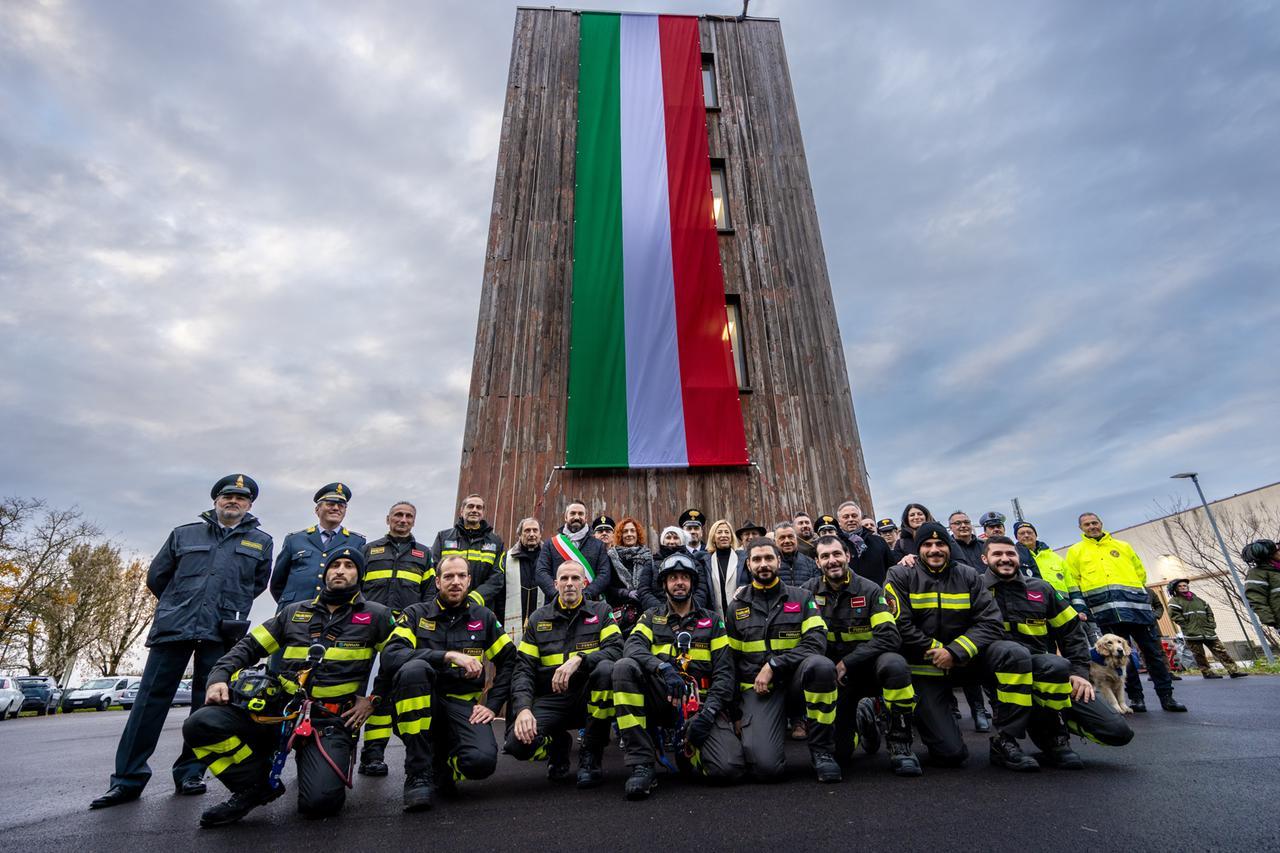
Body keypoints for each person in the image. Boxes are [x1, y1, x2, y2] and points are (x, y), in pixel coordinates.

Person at [91, 474, 274, 810]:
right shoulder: (183, 534)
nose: (233, 502)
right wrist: (179, 603)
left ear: (249, 504)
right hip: (174, 629)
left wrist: (228, 607)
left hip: (222, 632)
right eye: (227, 497)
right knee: (148, 704)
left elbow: (257, 584)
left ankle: (191, 773)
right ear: (216, 501)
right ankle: (127, 780)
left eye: (240, 498)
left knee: (207, 706)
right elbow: (157, 577)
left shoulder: (261, 542)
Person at [181, 547, 394, 826]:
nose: (340, 570)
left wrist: (373, 699)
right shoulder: (293, 613)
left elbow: (397, 661)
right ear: (325, 573)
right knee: (201, 724)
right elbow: (248, 647)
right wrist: (218, 677)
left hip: (328, 720)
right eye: (335, 565)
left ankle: (318, 765)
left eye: (349, 566)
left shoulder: (377, 616)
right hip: (278, 715)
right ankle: (254, 786)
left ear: (360, 574)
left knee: (319, 804)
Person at [882, 522, 1036, 771]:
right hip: (926, 669)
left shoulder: (968, 575)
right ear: (918, 549)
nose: (935, 550)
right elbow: (899, 623)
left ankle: (1007, 741)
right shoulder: (900, 575)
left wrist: (955, 651)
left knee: (1014, 654)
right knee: (951, 755)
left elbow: (991, 622)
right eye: (927, 545)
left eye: (940, 544)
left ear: (949, 547)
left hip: (966, 662)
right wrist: (936, 650)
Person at [378, 554, 516, 811]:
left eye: (461, 576)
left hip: (461, 706)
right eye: (448, 576)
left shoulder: (483, 617)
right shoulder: (415, 614)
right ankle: (418, 773)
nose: (455, 582)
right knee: (414, 669)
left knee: (481, 762)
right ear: (438, 582)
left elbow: (511, 660)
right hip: (421, 704)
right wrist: (447, 656)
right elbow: (391, 655)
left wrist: (493, 705)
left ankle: (441, 764)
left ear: (469, 580)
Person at [981, 536, 1133, 768]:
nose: (1005, 559)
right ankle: (1009, 740)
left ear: (1018, 558)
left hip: (1045, 670)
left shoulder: (1041, 589)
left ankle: (1058, 733)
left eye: (1010, 554)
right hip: (998, 671)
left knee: (1118, 732)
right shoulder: (975, 589)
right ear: (984, 559)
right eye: (997, 554)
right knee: (1021, 659)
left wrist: (1080, 673)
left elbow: (1071, 632)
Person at [612, 553, 744, 798]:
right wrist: (662, 667)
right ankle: (642, 764)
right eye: (673, 578)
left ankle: (688, 754)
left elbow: (725, 674)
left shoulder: (712, 621)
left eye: (685, 577)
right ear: (664, 584)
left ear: (693, 583)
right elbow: (632, 647)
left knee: (729, 769)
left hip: (701, 705)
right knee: (623, 667)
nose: (679, 583)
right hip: (664, 698)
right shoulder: (651, 617)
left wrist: (710, 713)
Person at [805, 535, 920, 776]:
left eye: (837, 554)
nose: (832, 560)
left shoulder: (870, 589)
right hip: (834, 678)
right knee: (841, 755)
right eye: (825, 556)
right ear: (817, 563)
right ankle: (862, 719)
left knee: (896, 664)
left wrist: (849, 661)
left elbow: (889, 636)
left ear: (847, 556)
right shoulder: (807, 592)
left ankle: (900, 745)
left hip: (868, 668)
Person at [726, 538, 840, 782]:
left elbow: (816, 642)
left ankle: (822, 753)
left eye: (769, 558)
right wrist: (734, 711)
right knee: (766, 769)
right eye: (757, 559)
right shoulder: (736, 606)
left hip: (797, 684)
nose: (763, 564)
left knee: (821, 666)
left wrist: (774, 665)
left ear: (778, 561)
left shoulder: (803, 597)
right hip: (759, 692)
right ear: (748, 566)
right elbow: (731, 662)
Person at [505, 560, 622, 787]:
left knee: (608, 670)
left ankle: (591, 754)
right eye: (564, 579)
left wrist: (580, 660)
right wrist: (523, 710)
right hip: (551, 699)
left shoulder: (602, 612)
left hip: (587, 697)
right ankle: (557, 745)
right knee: (516, 745)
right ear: (556, 584)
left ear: (584, 583)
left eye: (575, 578)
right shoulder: (538, 619)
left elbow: (617, 650)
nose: (570, 584)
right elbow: (523, 669)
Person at [1065, 513, 1186, 713]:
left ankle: (1167, 697)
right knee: (1120, 660)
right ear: (1081, 528)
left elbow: (1140, 574)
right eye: (1087, 524)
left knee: (1153, 653)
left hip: (1137, 610)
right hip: (1106, 613)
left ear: (1101, 524)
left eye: (1095, 523)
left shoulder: (1123, 546)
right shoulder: (1076, 551)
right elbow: (1075, 580)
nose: (1092, 526)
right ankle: (1136, 698)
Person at [359, 501, 437, 776]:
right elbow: (356, 589)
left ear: (414, 521)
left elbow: (430, 595)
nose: (403, 520)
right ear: (388, 518)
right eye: (398, 515)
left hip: (403, 630)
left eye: (408, 516)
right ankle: (339, 749)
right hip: (366, 628)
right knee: (356, 689)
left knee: (385, 693)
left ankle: (373, 754)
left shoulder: (424, 554)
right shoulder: (369, 550)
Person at [270, 483, 365, 611]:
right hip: (294, 609)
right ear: (317, 510)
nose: (336, 508)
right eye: (330, 504)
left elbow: (359, 582)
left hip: (335, 611)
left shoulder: (357, 542)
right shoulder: (294, 539)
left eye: (341, 506)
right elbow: (278, 582)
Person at [429, 494, 505, 617]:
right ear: (462, 510)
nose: (474, 510)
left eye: (478, 507)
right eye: (470, 506)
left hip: (480, 608)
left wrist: (473, 599)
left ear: (483, 512)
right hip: (447, 607)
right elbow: (433, 571)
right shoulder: (443, 537)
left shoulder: (496, 542)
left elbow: (497, 578)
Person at [534, 500, 613, 603]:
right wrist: (557, 594)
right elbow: (541, 572)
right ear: (566, 517)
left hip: (589, 603)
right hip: (556, 604)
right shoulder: (551, 544)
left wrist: (586, 594)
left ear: (585, 518)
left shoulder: (598, 545)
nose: (576, 517)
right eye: (572, 513)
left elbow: (604, 574)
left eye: (580, 514)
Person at [1166, 579, 1247, 679]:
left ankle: (1234, 671)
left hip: (1208, 631)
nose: (1183, 587)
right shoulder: (1174, 601)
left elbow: (1209, 612)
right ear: (1175, 589)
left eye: (1185, 585)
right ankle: (1207, 672)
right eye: (1180, 586)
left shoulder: (1199, 600)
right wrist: (1187, 626)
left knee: (1221, 651)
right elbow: (1175, 615)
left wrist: (1211, 624)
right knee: (1199, 655)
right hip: (1192, 633)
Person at [638, 526, 712, 612]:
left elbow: (701, 589)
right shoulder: (651, 563)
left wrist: (690, 609)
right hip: (659, 616)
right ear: (662, 541)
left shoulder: (694, 563)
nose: (672, 541)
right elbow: (644, 590)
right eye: (668, 538)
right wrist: (662, 610)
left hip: (690, 614)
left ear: (682, 541)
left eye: (676, 538)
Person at [607, 515, 653, 631]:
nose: (629, 534)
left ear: (637, 534)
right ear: (620, 535)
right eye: (625, 531)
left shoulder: (648, 556)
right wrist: (627, 593)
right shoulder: (611, 557)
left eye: (632, 530)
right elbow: (608, 587)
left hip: (644, 609)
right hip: (620, 612)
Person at [498, 517, 543, 628]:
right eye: (527, 530)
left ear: (540, 534)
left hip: (542, 616)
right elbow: (499, 591)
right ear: (519, 535)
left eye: (535, 530)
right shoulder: (506, 558)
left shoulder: (548, 557)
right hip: (512, 619)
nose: (532, 534)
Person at [835, 501, 894, 586]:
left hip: (878, 594)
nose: (851, 519)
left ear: (860, 518)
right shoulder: (834, 544)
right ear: (839, 522)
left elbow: (891, 569)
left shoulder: (879, 541)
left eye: (854, 516)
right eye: (846, 517)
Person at [703, 519, 743, 621]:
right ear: (713, 537)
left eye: (727, 532)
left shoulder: (743, 559)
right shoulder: (705, 561)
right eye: (719, 532)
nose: (723, 535)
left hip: (741, 614)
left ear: (731, 537)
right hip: (716, 617)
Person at [1243, 539, 1280, 628]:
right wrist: (1270, 620)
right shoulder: (1257, 573)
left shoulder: (1277, 570)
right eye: (1276, 551)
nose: (1279, 552)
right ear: (1269, 556)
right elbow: (1256, 598)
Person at [774, 521, 820, 587]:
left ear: (796, 539)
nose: (787, 541)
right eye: (782, 538)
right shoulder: (771, 565)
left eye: (790, 537)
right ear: (775, 541)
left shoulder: (811, 564)